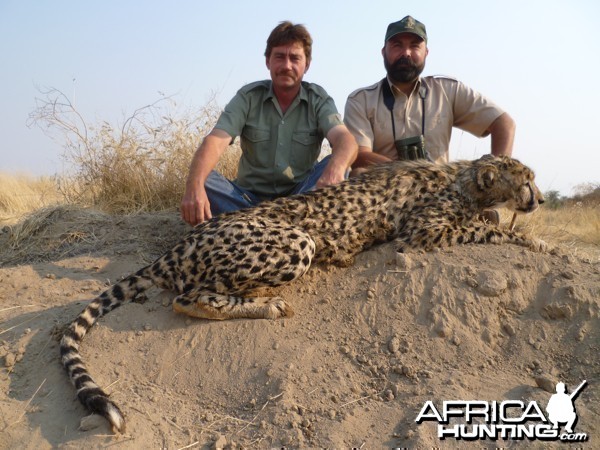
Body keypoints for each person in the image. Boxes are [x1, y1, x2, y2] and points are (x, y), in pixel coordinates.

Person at [181, 21, 358, 226]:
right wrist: (194, 187)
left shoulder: (318, 98)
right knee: (204, 179)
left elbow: (346, 140)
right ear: (268, 61)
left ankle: (252, 226)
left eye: (295, 58)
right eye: (279, 57)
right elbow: (215, 141)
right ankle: (281, 225)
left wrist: (335, 169)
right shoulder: (248, 97)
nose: (286, 66)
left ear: (306, 64)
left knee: (336, 165)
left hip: (299, 199)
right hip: (245, 200)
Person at [344, 15, 516, 172]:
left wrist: (498, 174)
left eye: (415, 46)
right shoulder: (361, 100)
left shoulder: (448, 90)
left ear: (426, 52)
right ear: (383, 52)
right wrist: (411, 172)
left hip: (437, 195)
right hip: (385, 192)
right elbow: (358, 155)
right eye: (397, 45)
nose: (406, 53)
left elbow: (504, 123)